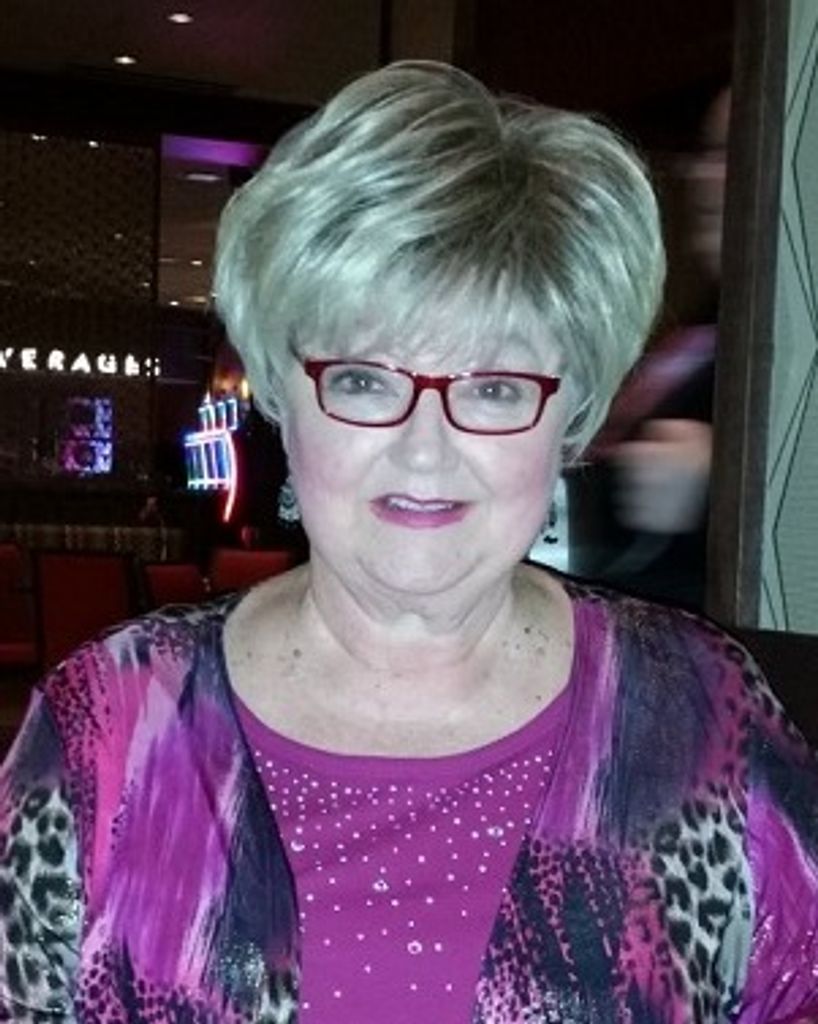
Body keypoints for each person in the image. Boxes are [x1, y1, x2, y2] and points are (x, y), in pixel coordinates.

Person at [1, 63, 816, 1024]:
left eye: (496, 388)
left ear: (571, 419)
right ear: (282, 393)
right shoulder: (108, 724)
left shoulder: (702, 710)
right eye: (363, 380)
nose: (426, 449)